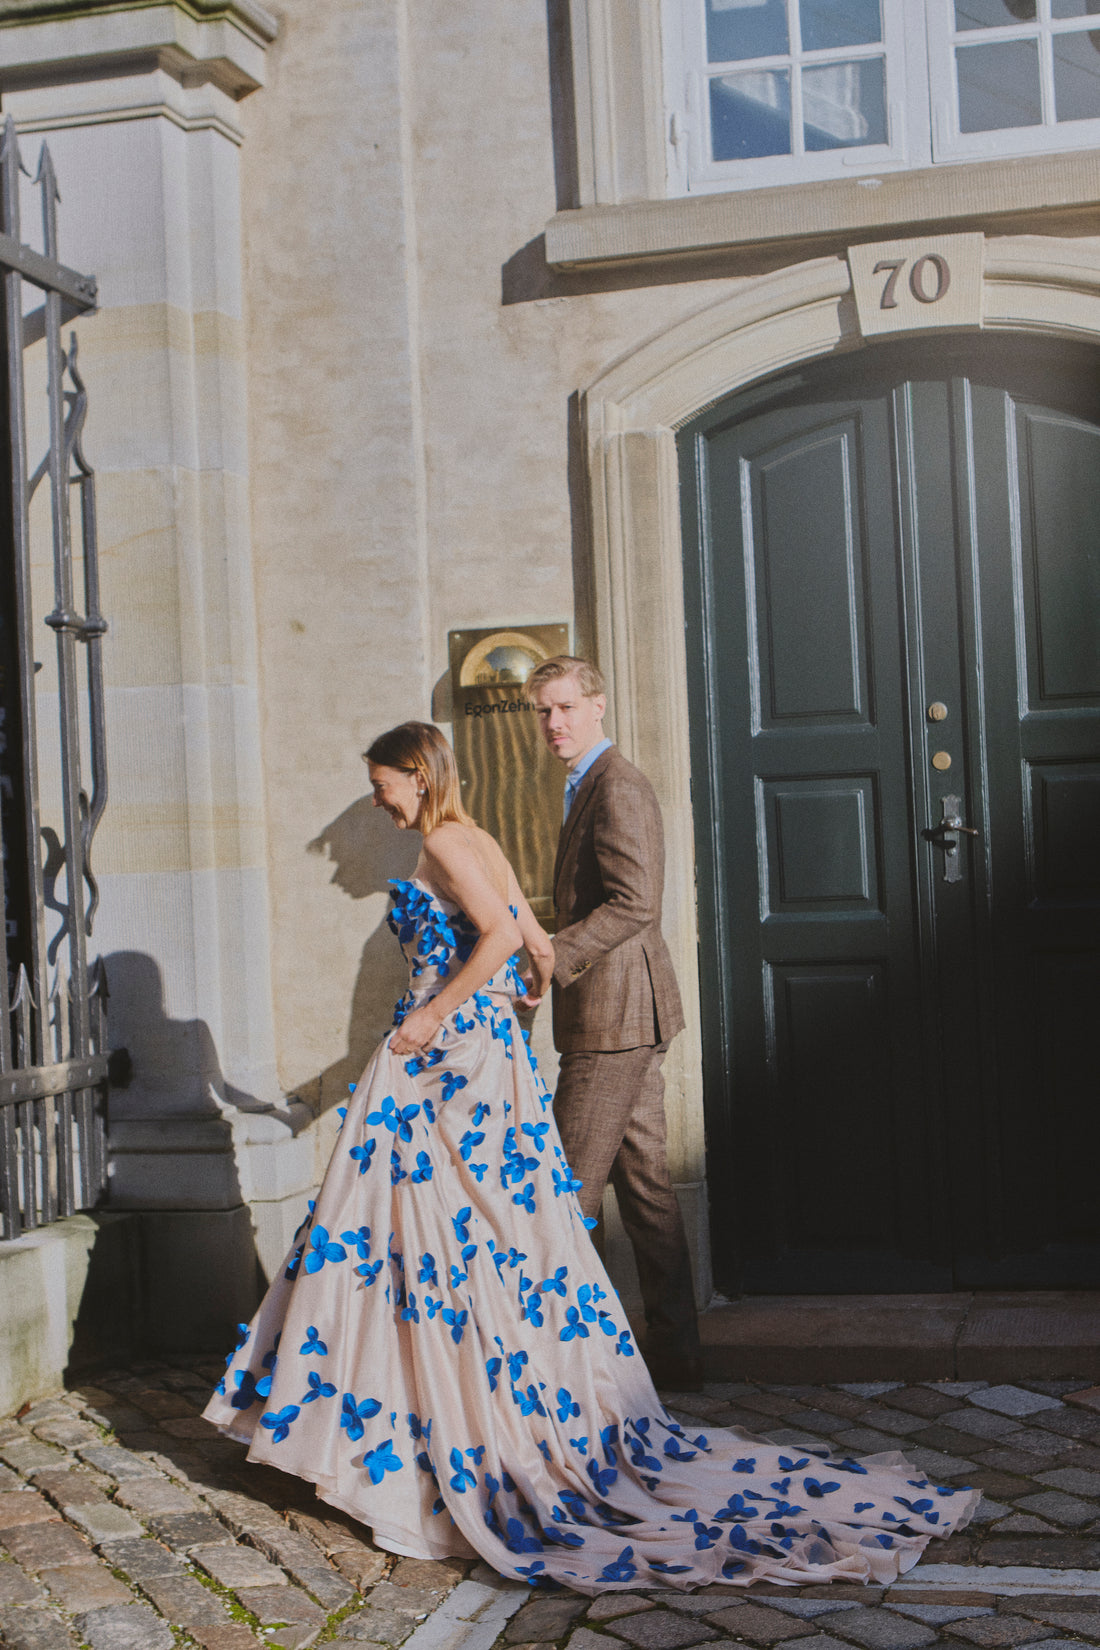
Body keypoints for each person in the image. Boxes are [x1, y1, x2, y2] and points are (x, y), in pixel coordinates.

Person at [203, 721, 978, 1593]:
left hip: (442, 1056)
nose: (377, 799)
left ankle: (401, 1427)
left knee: (427, 1232)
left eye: (383, 782)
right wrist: (524, 988)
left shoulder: (451, 843)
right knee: (452, 1233)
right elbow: (531, 939)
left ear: (418, 777)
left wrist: (434, 1014)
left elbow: (497, 936)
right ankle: (399, 1414)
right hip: (475, 1055)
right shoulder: (477, 837)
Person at [526, 656, 701, 1392]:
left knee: (564, 1191)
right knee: (647, 1187)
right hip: (622, 1012)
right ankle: (678, 1354)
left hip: (613, 1018)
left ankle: (573, 1361)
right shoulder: (583, 785)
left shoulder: (617, 785)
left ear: (598, 705)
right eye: (542, 712)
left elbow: (634, 903)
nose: (554, 724)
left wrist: (549, 956)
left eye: (565, 708)